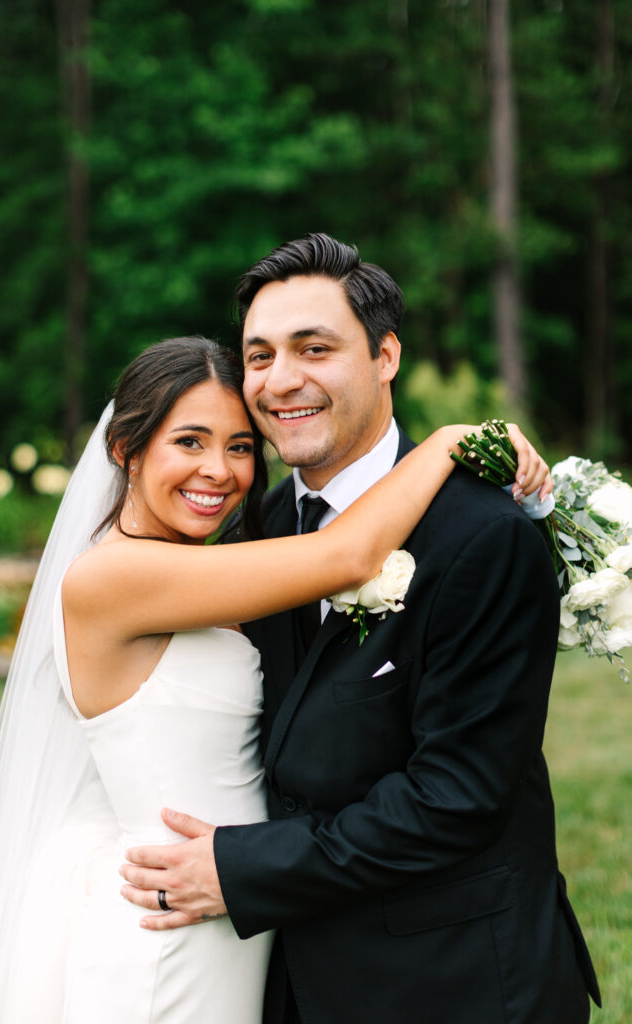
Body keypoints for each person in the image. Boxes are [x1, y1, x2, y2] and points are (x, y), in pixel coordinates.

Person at [0, 333, 543, 1024]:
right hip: (174, 921)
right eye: (189, 442)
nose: (219, 472)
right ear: (125, 450)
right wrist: (446, 442)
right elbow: (346, 554)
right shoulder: (112, 575)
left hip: (240, 906)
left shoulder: (206, 562)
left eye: (238, 446)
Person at [120, 235, 601, 1024]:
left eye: (315, 349)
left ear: (384, 356)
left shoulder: (482, 532)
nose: (282, 381)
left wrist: (240, 869)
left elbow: (457, 795)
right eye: (261, 355)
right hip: (288, 979)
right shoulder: (259, 533)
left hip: (454, 983)